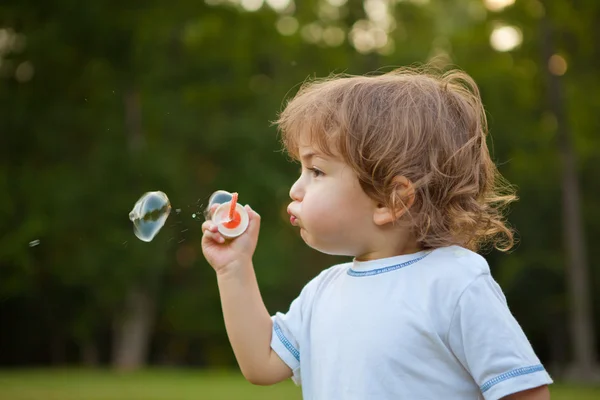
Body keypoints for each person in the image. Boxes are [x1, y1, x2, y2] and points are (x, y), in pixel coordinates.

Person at [201, 67, 553, 399]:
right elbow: (261, 362)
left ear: (391, 200)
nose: (296, 189)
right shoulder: (323, 290)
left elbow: (524, 390)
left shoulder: (455, 283)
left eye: (317, 171)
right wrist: (234, 267)